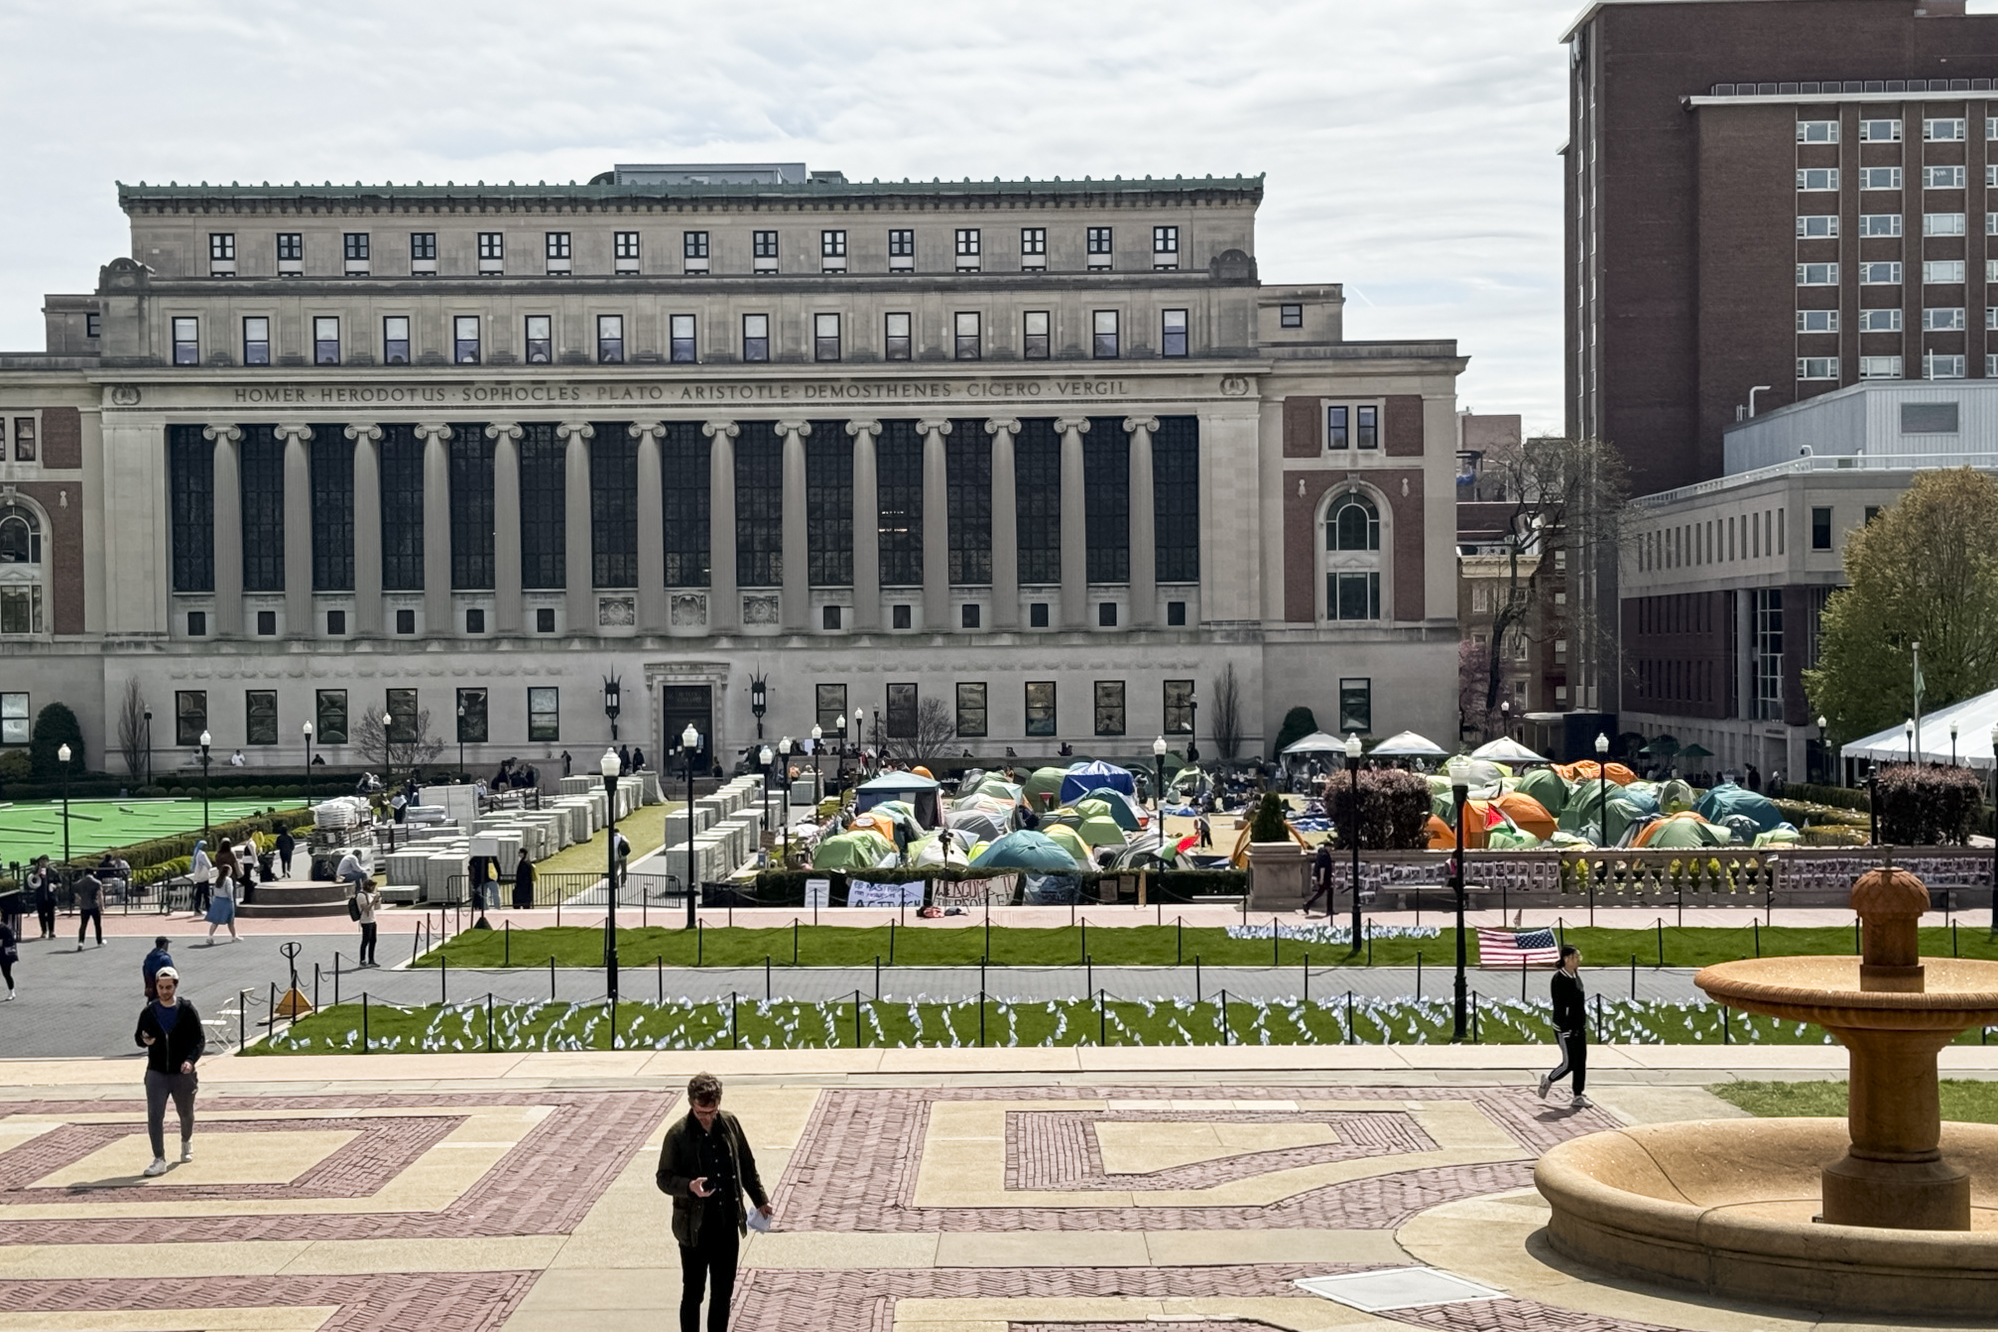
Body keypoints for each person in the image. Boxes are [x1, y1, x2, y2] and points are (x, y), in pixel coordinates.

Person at [655, 1072, 772, 1332]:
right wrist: (688, 1186)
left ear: (718, 1104)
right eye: (700, 1112)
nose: (706, 1117)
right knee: (694, 1293)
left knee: (722, 1295)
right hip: (694, 1229)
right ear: (691, 1105)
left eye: (711, 1111)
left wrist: (760, 1199)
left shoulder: (730, 1124)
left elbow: (746, 1164)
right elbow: (663, 1178)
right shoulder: (677, 1135)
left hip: (727, 1224)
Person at [135, 966, 204, 1177]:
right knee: (155, 1115)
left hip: (182, 1073)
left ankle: (186, 1140)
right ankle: (159, 1158)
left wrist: (190, 1061)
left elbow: (199, 1040)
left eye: (168, 987)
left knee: (185, 1112)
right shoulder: (149, 1012)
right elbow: (139, 1037)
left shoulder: (187, 1010)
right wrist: (145, 1040)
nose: (164, 991)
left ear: (175, 986)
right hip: (156, 1072)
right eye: (160, 987)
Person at [1539, 944, 1591, 1110]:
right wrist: (1566, 1028)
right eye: (1575, 957)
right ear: (1567, 959)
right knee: (1569, 1063)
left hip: (1578, 1026)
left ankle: (1577, 1095)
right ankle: (1548, 1080)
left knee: (1581, 1061)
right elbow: (1561, 1007)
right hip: (1565, 1028)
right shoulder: (1559, 979)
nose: (1578, 960)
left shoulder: (1575, 975)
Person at [203, 853, 238, 944]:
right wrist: (232, 901)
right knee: (230, 920)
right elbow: (229, 891)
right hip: (226, 901)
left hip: (218, 900)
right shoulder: (228, 880)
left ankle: (210, 936)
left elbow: (215, 891)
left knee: (216, 921)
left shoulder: (218, 880)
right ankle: (234, 936)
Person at [351, 872, 381, 967]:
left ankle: (371, 960)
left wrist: (377, 900)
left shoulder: (369, 894)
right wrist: (373, 901)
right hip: (365, 921)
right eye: (372, 887)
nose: (373, 889)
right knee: (365, 940)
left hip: (372, 920)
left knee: (373, 940)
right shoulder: (361, 895)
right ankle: (362, 960)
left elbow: (375, 908)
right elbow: (366, 908)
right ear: (368, 886)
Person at [74, 865, 104, 950]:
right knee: (97, 925)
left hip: (84, 906)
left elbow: (77, 896)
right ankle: (99, 941)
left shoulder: (79, 883)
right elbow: (100, 895)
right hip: (94, 905)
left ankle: (81, 942)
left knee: (83, 925)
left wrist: (80, 903)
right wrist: (102, 906)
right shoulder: (97, 882)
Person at [29, 855, 57, 939]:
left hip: (50, 896)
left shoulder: (53, 871)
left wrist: (54, 886)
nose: (43, 863)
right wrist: (37, 874)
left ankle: (51, 931)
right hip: (40, 896)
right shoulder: (35, 871)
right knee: (41, 914)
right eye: (41, 861)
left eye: (44, 861)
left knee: (51, 914)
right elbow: (31, 881)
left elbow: (59, 882)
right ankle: (44, 931)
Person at [1303, 842, 1334, 916]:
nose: (1331, 849)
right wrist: (1322, 878)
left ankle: (1308, 904)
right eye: (1330, 847)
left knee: (1321, 892)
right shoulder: (1325, 855)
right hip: (1325, 877)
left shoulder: (1321, 854)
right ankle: (1329, 910)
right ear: (1327, 847)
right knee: (1329, 891)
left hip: (1324, 876)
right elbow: (1322, 867)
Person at [189, 840, 213, 915]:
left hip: (198, 876)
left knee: (199, 893)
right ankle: (209, 909)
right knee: (206, 894)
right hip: (204, 877)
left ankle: (197, 908)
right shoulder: (202, 854)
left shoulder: (196, 853)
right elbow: (209, 865)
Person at [1, 918, 16, 999]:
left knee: (6, 973)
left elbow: (11, 941)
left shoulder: (5, 929)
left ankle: (12, 991)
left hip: (5, 955)